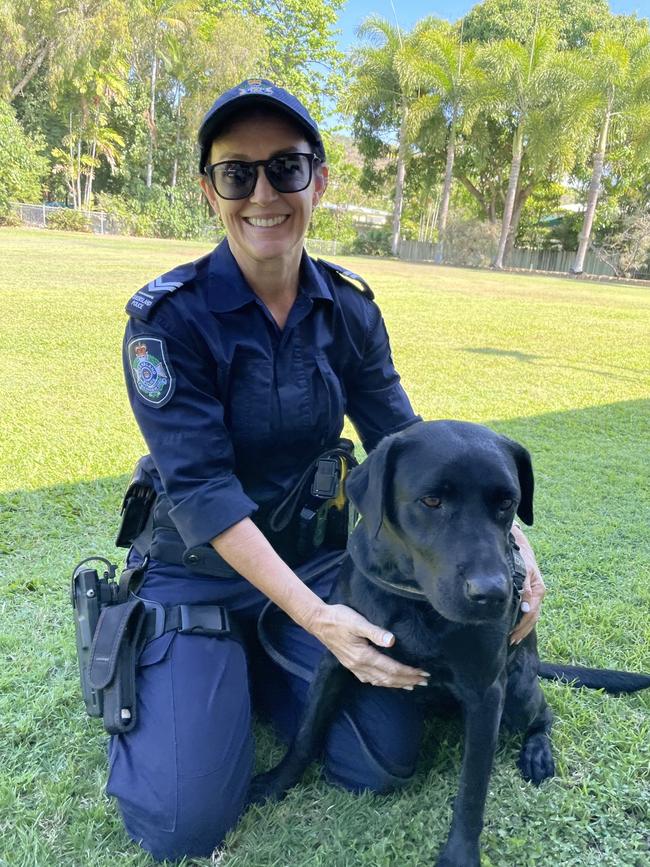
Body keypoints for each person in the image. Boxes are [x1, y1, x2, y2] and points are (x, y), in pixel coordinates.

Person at [109, 78, 545, 862]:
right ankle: (184, 653)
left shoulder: (347, 307)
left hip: (312, 556)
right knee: (184, 823)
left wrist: (516, 552)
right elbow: (204, 491)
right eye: (238, 173)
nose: (264, 193)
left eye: (287, 167)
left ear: (319, 180)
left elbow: (406, 439)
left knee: (383, 759)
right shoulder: (167, 321)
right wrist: (319, 621)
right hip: (199, 569)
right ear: (211, 191)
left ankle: (243, 665)